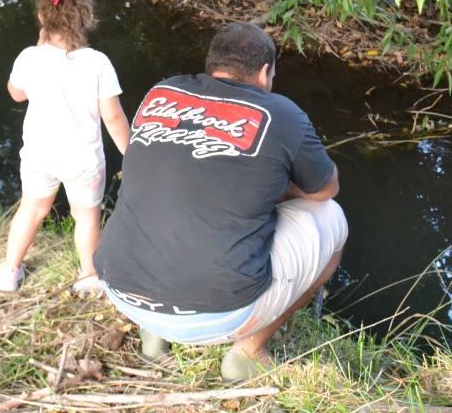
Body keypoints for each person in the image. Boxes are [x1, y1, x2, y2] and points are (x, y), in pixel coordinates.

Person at [93, 22, 347, 381]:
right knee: (333, 218)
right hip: (221, 313)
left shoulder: (161, 92)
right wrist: (279, 187)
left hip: (121, 291)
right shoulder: (284, 114)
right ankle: (248, 351)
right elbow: (326, 189)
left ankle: (155, 336)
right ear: (264, 73)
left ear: (211, 65)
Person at [0, 0, 131, 294]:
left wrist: (37, 48)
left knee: (31, 211)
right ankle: (89, 277)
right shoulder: (98, 63)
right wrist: (133, 154)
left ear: (43, 16)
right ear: (87, 17)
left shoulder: (29, 57)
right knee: (85, 219)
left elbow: (17, 94)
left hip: (39, 156)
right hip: (83, 160)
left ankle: (10, 273)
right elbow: (112, 117)